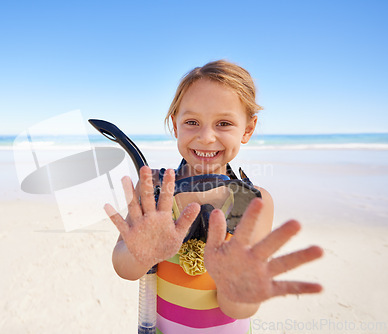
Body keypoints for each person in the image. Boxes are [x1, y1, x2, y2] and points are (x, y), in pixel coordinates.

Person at [104, 60, 323, 333]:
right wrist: (139, 252)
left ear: (248, 129)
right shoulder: (154, 191)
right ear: (175, 124)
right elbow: (124, 268)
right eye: (192, 122)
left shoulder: (253, 203)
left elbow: (240, 309)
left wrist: (236, 285)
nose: (206, 137)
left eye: (224, 123)